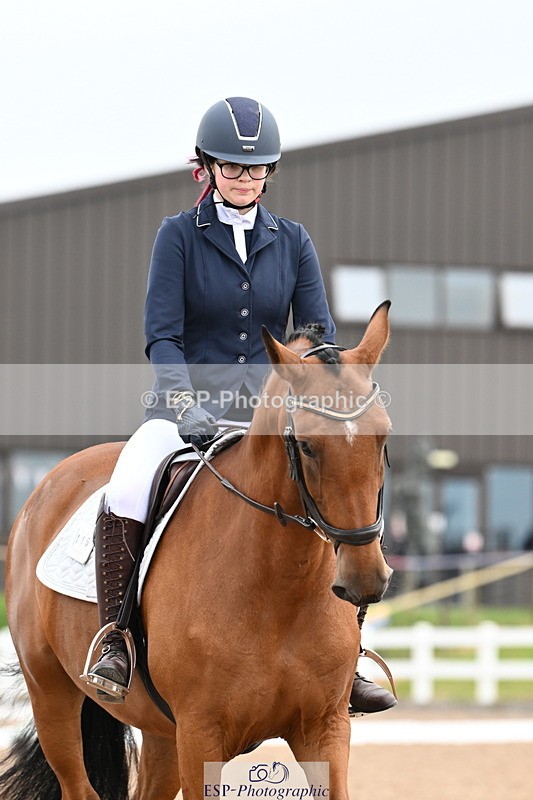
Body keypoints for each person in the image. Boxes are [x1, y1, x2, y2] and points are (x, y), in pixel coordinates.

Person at [85, 96, 396, 715]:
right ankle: (116, 636)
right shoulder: (178, 236)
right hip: (186, 411)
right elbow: (163, 336)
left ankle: (347, 651)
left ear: (269, 171)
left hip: (273, 415)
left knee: (339, 481)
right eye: (232, 166)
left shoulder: (293, 241)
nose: (245, 178)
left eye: (255, 168)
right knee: (128, 483)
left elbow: (316, 336)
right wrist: (184, 404)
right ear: (207, 167)